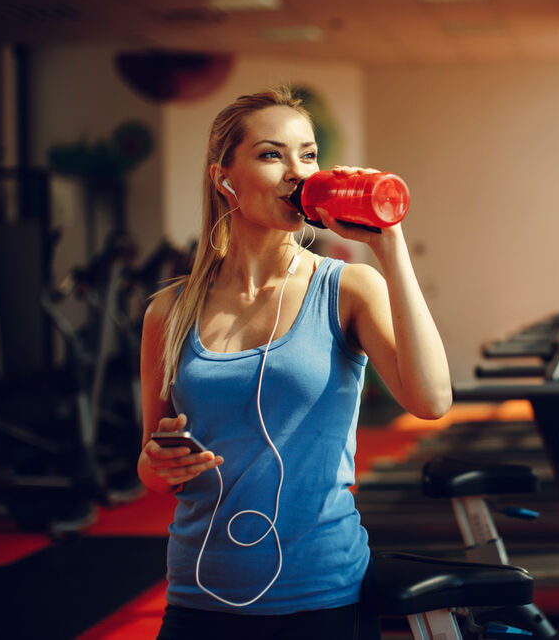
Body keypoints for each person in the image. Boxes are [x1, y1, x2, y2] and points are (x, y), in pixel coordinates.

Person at [137, 85, 452, 639]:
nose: (297, 172)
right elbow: (150, 466)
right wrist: (159, 464)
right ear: (222, 177)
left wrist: (390, 245)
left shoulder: (348, 287)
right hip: (198, 594)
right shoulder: (170, 310)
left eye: (306, 154)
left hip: (322, 594)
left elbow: (431, 400)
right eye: (270, 154)